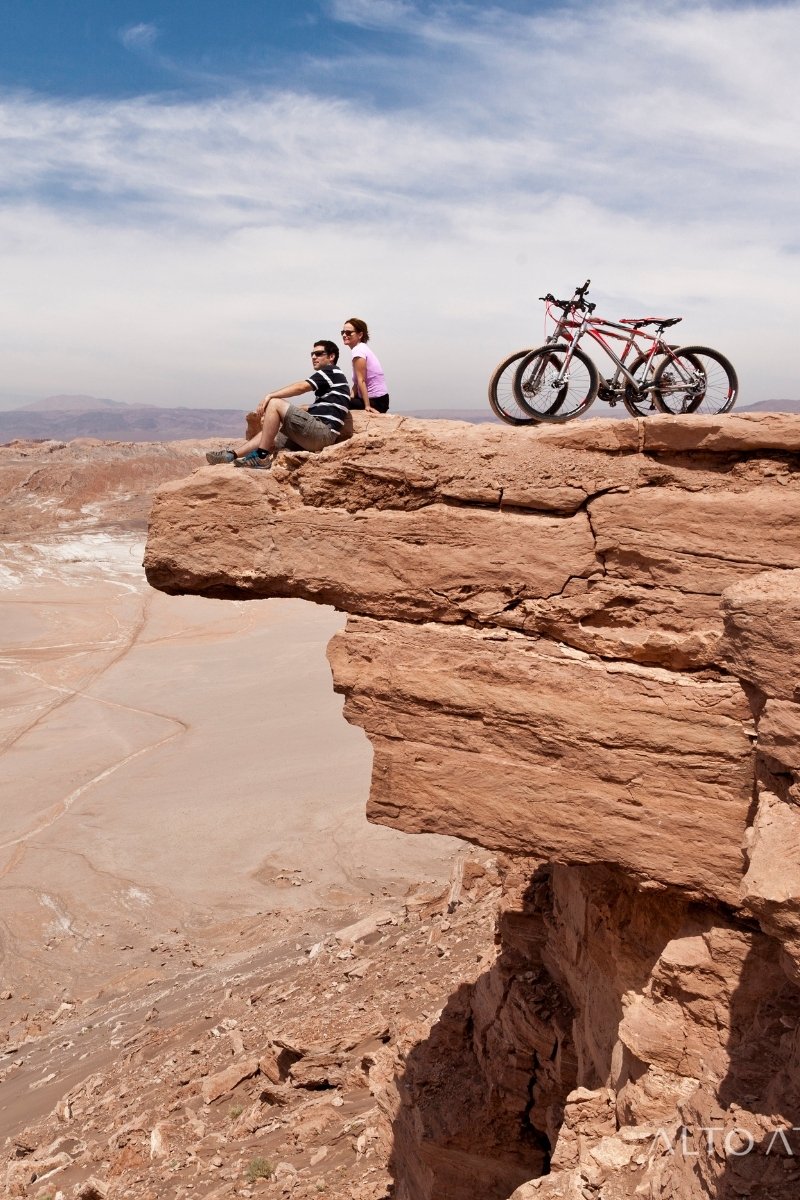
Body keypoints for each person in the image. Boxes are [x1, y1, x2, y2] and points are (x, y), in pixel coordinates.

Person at [205, 340, 350, 470]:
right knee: (271, 433)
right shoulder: (333, 379)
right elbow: (323, 407)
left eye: (318, 354)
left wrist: (271, 395)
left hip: (322, 434)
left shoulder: (330, 371)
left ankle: (261, 457)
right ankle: (232, 455)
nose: (313, 357)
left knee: (275, 403)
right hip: (318, 436)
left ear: (331, 357)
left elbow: (301, 387)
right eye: (312, 354)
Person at [341, 318, 390, 414]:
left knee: (336, 400)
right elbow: (356, 384)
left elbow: (361, 380)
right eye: (342, 332)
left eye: (348, 332)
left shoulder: (358, 351)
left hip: (375, 401)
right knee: (342, 399)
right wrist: (350, 399)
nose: (344, 335)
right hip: (380, 399)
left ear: (360, 335)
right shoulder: (362, 348)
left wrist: (367, 406)